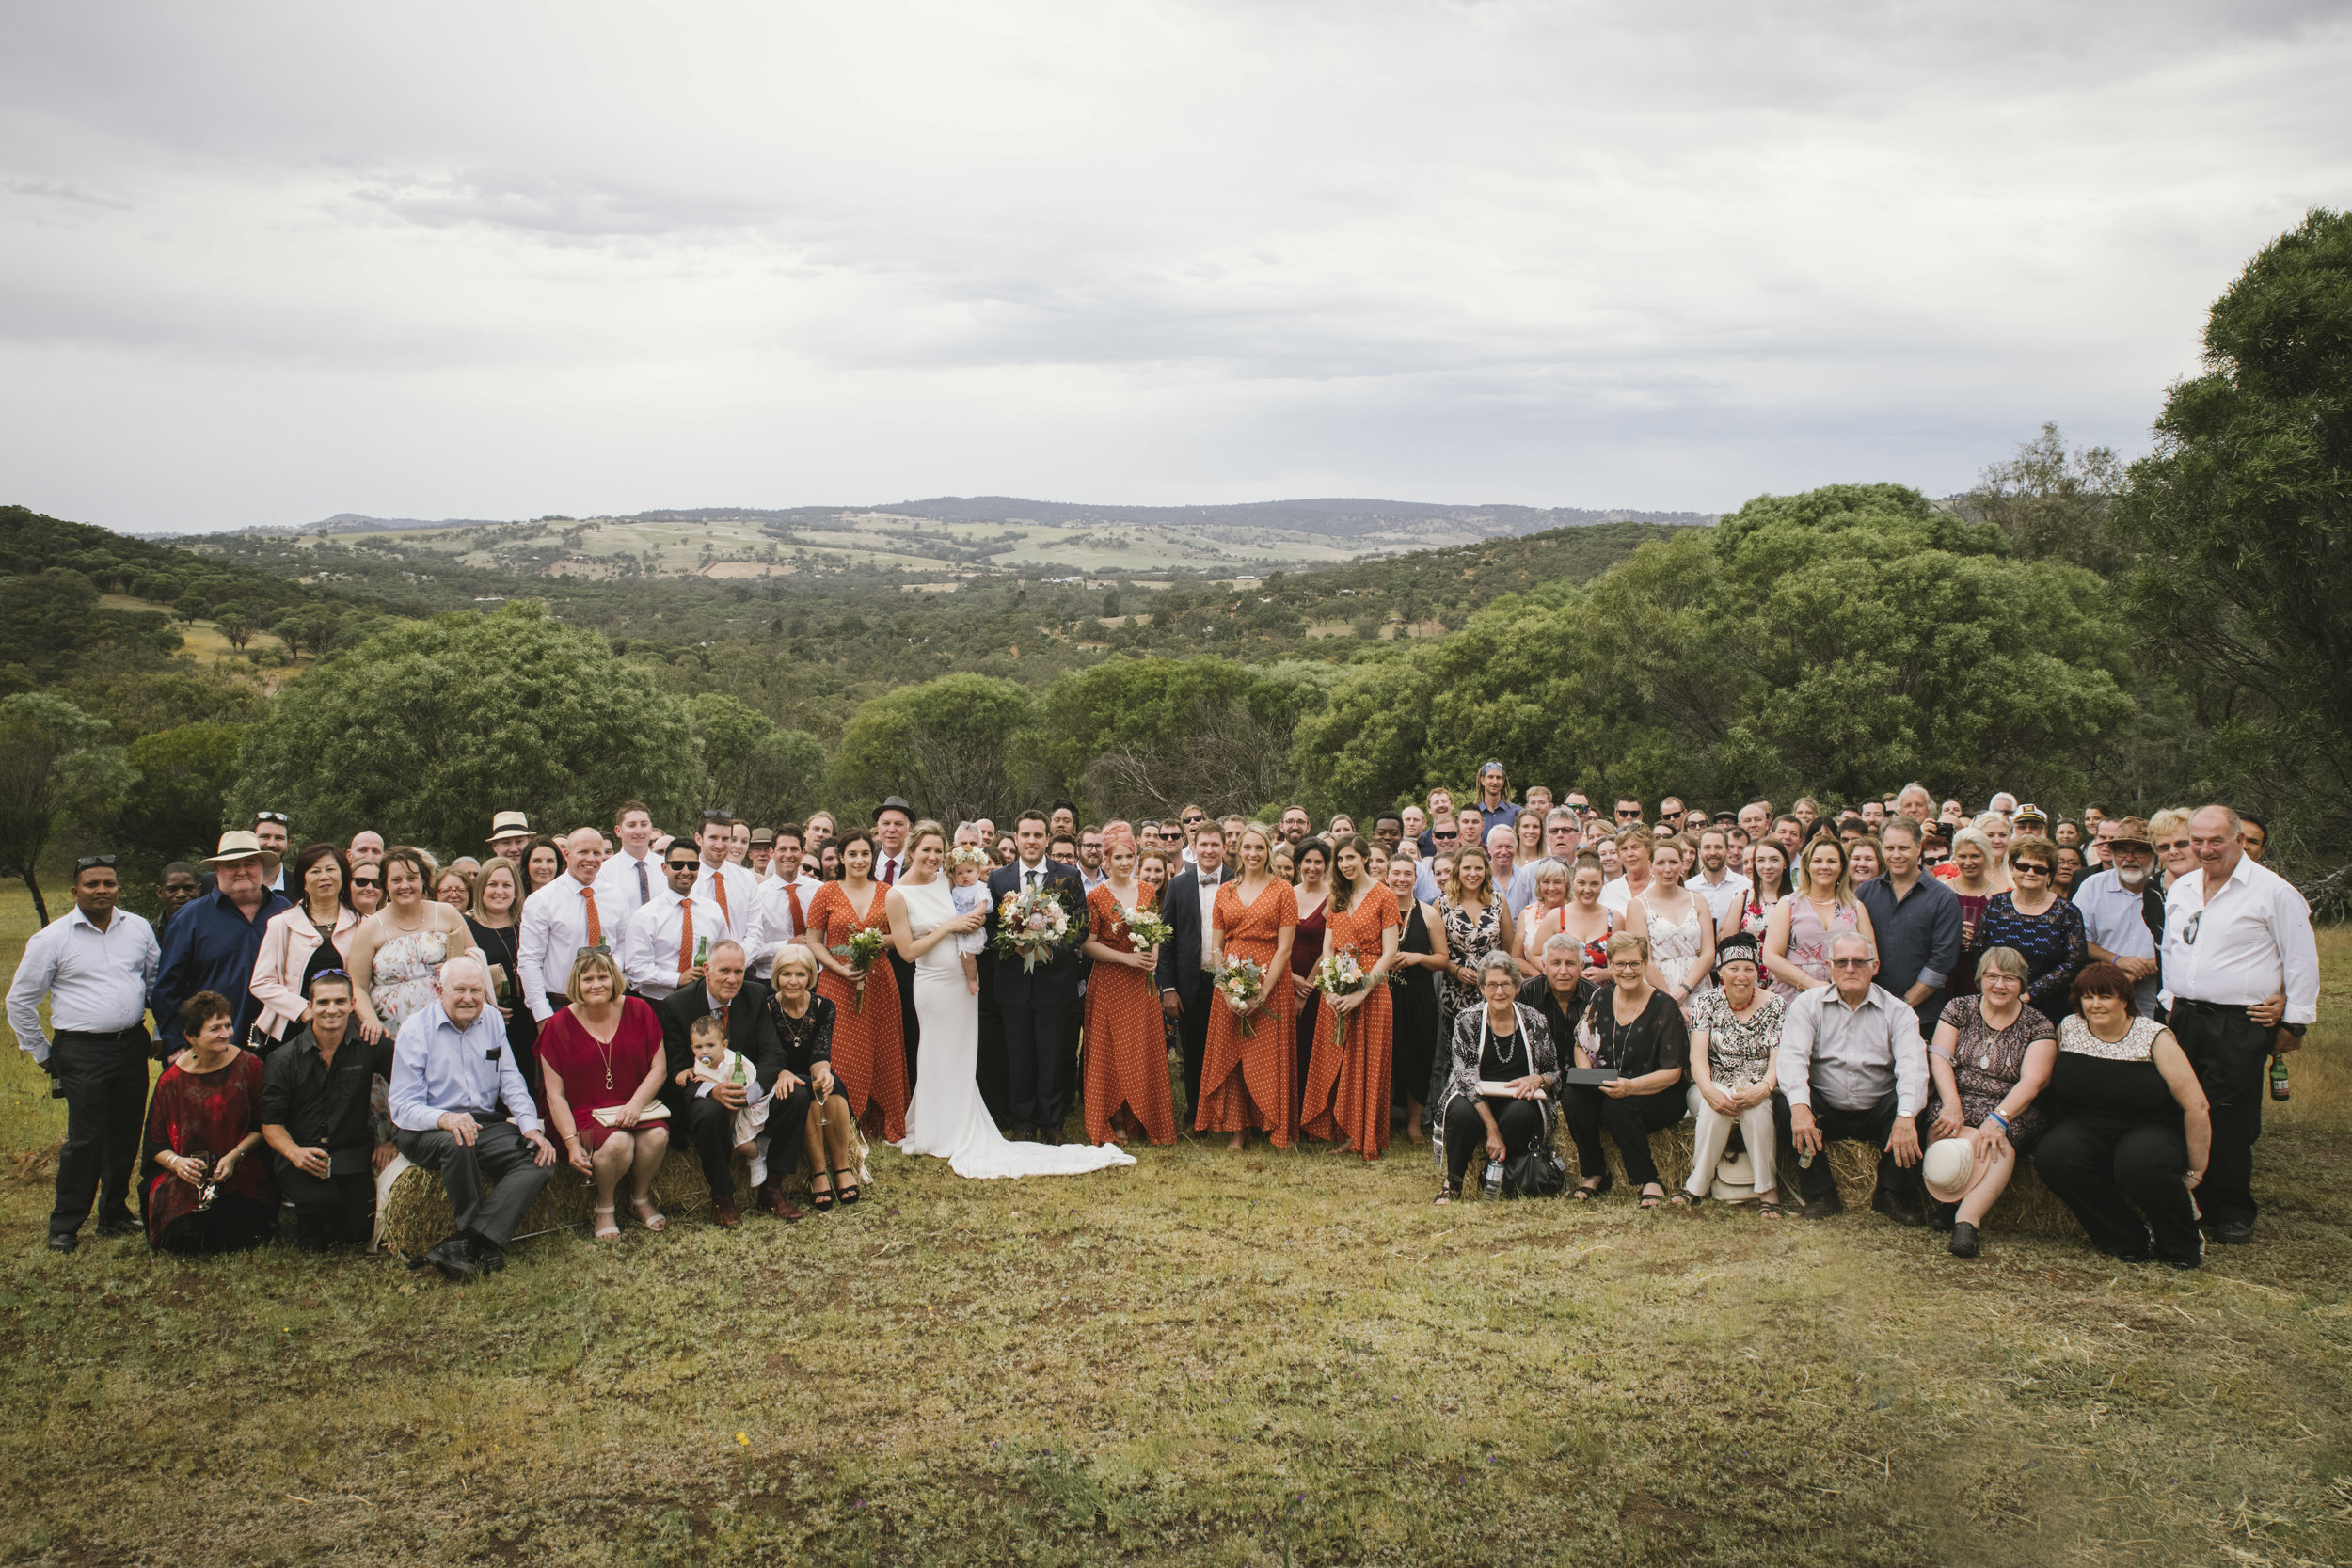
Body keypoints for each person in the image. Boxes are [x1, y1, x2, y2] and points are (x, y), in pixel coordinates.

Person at [895, 821, 1135, 1178]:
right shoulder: (999, 878)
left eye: (1039, 835)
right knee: (1017, 1051)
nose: (1032, 840)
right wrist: (1014, 944)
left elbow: (1081, 926)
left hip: (1054, 980)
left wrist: (1050, 945)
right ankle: (1021, 1120)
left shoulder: (1067, 875)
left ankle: (1052, 1123)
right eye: (1026, 835)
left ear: (1047, 839)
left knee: (1053, 1052)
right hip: (1011, 981)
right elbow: (985, 926)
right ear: (1018, 838)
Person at [2158, 804, 2318, 1245]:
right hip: (2186, 1015)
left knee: (2227, 1114)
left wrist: (2295, 1021)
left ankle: (2233, 1209)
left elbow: (2301, 959)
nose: (2205, 850)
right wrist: (2169, 1002)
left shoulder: (2273, 892)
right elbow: (2173, 948)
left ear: (2239, 841)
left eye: (2216, 841)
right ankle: (2193, 1199)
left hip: (2242, 1020)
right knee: (2184, 1106)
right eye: (2198, 841)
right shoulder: (2183, 887)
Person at [8, 854, 159, 1251]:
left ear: (117, 889)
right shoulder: (52, 938)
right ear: (75, 891)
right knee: (86, 1139)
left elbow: (156, 982)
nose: (102, 890)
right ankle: (66, 1224)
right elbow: (20, 1001)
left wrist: (159, 1031)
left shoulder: (138, 928)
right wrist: (41, 1053)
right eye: (92, 884)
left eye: (109, 883)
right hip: (81, 1050)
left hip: (130, 1045)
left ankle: (114, 1214)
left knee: (126, 1134)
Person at [387, 955, 558, 1281]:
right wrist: (445, 1119)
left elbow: (510, 1079)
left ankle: (469, 1242)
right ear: (439, 990)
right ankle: (474, 1237)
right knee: (458, 1141)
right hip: (422, 1128)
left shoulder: (492, 1020)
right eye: (460, 990)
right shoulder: (414, 1031)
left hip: (481, 1123)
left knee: (541, 1158)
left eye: (476, 990)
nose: (469, 998)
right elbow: (403, 1107)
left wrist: (531, 1127)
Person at [2035, 963, 2213, 1269]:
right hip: (2085, 1127)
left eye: (2105, 996)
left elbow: (2197, 1106)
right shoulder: (2069, 1027)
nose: (2095, 1005)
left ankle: (2181, 1244)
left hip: (2150, 1128)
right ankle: (2126, 1237)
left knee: (2138, 1163)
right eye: (2087, 997)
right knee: (2053, 1156)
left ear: (2124, 999)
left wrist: (2197, 1169)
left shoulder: (2154, 1036)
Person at [1773, 932, 1930, 1224]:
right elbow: (1793, 1058)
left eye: (1859, 961)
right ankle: (1821, 1194)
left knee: (1912, 1104)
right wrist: (1800, 1108)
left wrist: (1906, 1117)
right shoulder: (1808, 1005)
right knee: (1786, 1103)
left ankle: (1890, 1193)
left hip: (1877, 1111)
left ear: (1875, 966)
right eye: (1842, 962)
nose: (1850, 969)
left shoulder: (1899, 1012)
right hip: (1826, 1109)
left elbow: (1914, 1068)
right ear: (1829, 967)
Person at [1920, 946, 2057, 1258]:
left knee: (1996, 1143)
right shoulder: (1959, 1008)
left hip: (2010, 1104)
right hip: (1959, 1094)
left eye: (2010, 978)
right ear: (1980, 978)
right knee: (1942, 1125)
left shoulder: (2038, 1024)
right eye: (1992, 976)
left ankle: (1967, 1221)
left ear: (2022, 984)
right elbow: (1940, 1058)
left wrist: (1999, 1118)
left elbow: (2032, 1081)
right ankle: (1949, 1198)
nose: (2000, 985)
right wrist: (1952, 1104)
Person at [539, 947, 672, 1239]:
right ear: (577, 983)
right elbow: (555, 1095)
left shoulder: (639, 1010)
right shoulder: (559, 1025)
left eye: (603, 977)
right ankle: (605, 1206)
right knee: (618, 1143)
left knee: (658, 1135)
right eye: (587, 979)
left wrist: (636, 1104)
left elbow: (659, 1068)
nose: (596, 985)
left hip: (635, 1105)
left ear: (614, 979)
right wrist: (572, 1143)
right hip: (583, 1113)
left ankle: (640, 1198)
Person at [260, 971, 396, 1251]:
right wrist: (295, 1153)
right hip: (302, 1153)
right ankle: (311, 1217)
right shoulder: (283, 1059)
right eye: (322, 1002)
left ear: (352, 1003)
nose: (331, 1010)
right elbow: (271, 1125)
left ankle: (336, 1208)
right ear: (309, 1007)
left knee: (359, 1232)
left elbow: (410, 1089)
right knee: (318, 1212)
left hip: (351, 1152)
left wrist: (393, 1140)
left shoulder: (371, 1045)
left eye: (339, 1001)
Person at [655, 940, 788, 1224]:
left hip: (749, 1090)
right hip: (704, 1092)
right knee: (708, 1113)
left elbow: (772, 1054)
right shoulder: (676, 1006)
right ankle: (723, 1197)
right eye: (724, 970)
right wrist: (712, 1090)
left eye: (739, 971)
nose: (732, 979)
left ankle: (773, 1188)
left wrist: (752, 1091)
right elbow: (676, 1068)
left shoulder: (755, 995)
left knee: (796, 1097)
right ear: (706, 969)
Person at [140, 992, 274, 1255]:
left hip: (239, 1168)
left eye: (227, 1025)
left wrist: (234, 1157)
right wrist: (178, 1164)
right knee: (184, 1238)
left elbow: (263, 1125)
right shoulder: (171, 1080)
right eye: (215, 1029)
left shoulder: (250, 1066)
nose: (226, 1033)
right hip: (187, 1173)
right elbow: (155, 1143)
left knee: (237, 1236)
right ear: (191, 1037)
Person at [1564, 933, 1690, 1208]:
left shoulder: (1665, 1007)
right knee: (1573, 1098)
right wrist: (1587, 1078)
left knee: (1616, 1108)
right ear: (1610, 964)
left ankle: (1650, 1179)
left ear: (1646, 964)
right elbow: (1580, 1045)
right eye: (1620, 964)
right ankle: (1594, 1172)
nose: (1627, 971)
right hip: (1610, 1084)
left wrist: (1630, 1087)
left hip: (1658, 1091)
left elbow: (1673, 1073)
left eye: (1634, 963)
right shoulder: (1601, 995)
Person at [1199, 823, 1302, 1150]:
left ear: (1269, 851)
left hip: (1271, 978)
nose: (1253, 854)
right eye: (1248, 848)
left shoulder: (1283, 890)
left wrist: (1263, 992)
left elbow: (1285, 947)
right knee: (1232, 1054)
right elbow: (1216, 947)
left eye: (1260, 848)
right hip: (1230, 976)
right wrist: (1226, 988)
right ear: (1238, 850)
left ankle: (1272, 1122)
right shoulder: (1225, 891)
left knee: (1266, 1053)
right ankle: (1238, 1128)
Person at [1301, 835, 1402, 1161]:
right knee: (1339, 1060)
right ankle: (1342, 1130)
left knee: (1367, 1063)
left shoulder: (1384, 895)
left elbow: (1390, 953)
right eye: (1340, 860)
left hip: (1371, 988)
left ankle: (1364, 1135)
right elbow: (1327, 948)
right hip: (1337, 983)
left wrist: (1361, 992)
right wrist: (1329, 987)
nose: (1345, 865)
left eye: (1350, 858)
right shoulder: (1337, 896)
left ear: (1365, 858)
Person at [804, 831, 909, 1142]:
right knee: (841, 1051)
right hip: (837, 982)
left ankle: (879, 1122)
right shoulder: (826, 892)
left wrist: (872, 940)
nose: (859, 860)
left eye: (865, 854)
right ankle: (842, 1119)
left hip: (879, 982)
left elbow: (901, 936)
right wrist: (839, 968)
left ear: (872, 857)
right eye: (852, 854)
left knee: (881, 1048)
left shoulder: (888, 892)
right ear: (840, 858)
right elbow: (813, 941)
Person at [1432, 951, 1559, 1203]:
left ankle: (1499, 1172)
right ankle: (1454, 1182)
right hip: (1475, 1095)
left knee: (1520, 1115)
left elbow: (1553, 1071)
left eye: (1505, 984)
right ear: (1481, 987)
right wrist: (1492, 1131)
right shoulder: (1467, 1020)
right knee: (1459, 1113)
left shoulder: (1535, 1021)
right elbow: (1466, 1079)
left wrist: (1538, 1080)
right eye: (1492, 984)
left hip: (1518, 1097)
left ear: (1517, 986)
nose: (1499, 991)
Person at [151, 831, 292, 1053]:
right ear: (217, 870)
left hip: (278, 1044)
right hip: (212, 1045)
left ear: (262, 865)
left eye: (250, 863)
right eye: (232, 865)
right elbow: (167, 989)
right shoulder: (190, 918)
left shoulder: (285, 910)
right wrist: (176, 1044)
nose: (242, 871)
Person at [1081, 837, 1178, 1146]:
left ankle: (1146, 1117)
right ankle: (1117, 1120)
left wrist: (1154, 955)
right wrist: (1127, 958)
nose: (1124, 862)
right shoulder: (1096, 895)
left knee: (1141, 1047)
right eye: (1118, 857)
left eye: (1129, 856)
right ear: (1106, 861)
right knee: (1111, 1050)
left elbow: (1156, 930)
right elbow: (1088, 943)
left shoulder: (1147, 890)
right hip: (1110, 980)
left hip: (1141, 983)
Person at [1679, 933, 1785, 1213]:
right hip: (1710, 1085)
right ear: (1721, 972)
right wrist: (1709, 1091)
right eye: (1733, 969)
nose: (1741, 976)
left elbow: (1778, 1058)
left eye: (1748, 969)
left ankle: (1767, 1190)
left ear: (1757, 972)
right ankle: (1697, 1184)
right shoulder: (1706, 1003)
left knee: (1759, 1108)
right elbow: (1697, 1058)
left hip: (1758, 1085)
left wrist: (1764, 1087)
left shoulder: (1776, 1005)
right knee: (1718, 1106)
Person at [348, 847, 480, 1046]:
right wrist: (370, 1020)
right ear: (385, 884)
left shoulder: (447, 914)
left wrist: (455, 969)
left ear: (424, 880)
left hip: (450, 1024)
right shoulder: (370, 928)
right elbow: (358, 987)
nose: (405, 885)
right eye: (396, 880)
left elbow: (474, 960)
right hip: (392, 1034)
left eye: (411, 878)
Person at [762, 944, 860, 1210]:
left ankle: (842, 1167)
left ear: (810, 977)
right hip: (780, 1077)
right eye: (786, 974)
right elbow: (768, 1053)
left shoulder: (824, 1006)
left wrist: (825, 1073)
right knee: (804, 1092)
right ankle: (818, 1173)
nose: (793, 981)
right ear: (776, 977)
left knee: (831, 1087)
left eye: (800, 975)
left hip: (813, 1069)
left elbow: (820, 1052)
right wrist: (781, 1073)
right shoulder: (767, 1007)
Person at [249, 843, 362, 1054]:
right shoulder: (282, 924)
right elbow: (261, 983)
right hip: (292, 1030)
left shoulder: (363, 923)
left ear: (343, 876)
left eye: (330, 870)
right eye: (315, 871)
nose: (324, 877)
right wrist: (302, 1009)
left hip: (347, 1029)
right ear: (303, 880)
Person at [1856, 816, 1963, 1040]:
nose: (1896, 855)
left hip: (1921, 1017)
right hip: (1867, 1014)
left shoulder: (1943, 898)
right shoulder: (1864, 894)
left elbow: (1941, 963)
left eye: (1904, 848)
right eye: (1890, 848)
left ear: (1918, 849)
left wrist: (1900, 1007)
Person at [1964, 835, 2088, 1018]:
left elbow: (2074, 962)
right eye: (2023, 867)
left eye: (2039, 869)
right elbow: (1978, 951)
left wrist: (2031, 993)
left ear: (2050, 875)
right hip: (1997, 1001)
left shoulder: (2067, 912)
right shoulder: (1996, 905)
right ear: (2012, 869)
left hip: (2049, 1006)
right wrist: (1999, 989)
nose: (2030, 872)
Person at [1156, 819, 1226, 1123]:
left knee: (1225, 1051)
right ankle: (1196, 1114)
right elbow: (1166, 939)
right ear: (1193, 847)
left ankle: (1225, 1114)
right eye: (1203, 844)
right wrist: (1168, 987)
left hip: (1229, 982)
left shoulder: (1237, 881)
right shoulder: (1178, 885)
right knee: (1194, 1052)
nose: (1209, 850)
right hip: (1190, 982)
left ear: (1224, 847)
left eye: (1215, 844)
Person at [2072, 816, 2164, 1021]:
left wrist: (2146, 967)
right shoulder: (2092, 886)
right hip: (2101, 994)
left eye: (2139, 851)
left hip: (2156, 998)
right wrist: (2117, 960)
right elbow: (2076, 939)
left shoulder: (2169, 888)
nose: (2129, 858)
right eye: (2122, 850)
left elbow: (2184, 946)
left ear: (2154, 854)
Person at [1763, 835, 1876, 1000]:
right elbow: (1771, 957)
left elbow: (1872, 959)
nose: (1824, 867)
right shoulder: (1788, 904)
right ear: (1807, 866)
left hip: (1844, 997)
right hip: (1795, 996)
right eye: (1817, 861)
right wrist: (1810, 984)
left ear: (1841, 867)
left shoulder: (1855, 907)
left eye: (1831, 861)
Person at [1387, 851, 1450, 1146]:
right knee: (1386, 1058)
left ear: (1415, 878)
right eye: (1395, 874)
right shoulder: (1377, 909)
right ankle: (1380, 1121)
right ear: (1387, 877)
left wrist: (1416, 957)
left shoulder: (1428, 912)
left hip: (1419, 993)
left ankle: (1414, 1125)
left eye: (1407, 874)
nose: (1401, 879)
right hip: (1383, 993)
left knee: (1419, 1056)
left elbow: (1442, 959)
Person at [463, 857, 539, 1098]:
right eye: (492, 884)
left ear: (516, 891)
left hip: (528, 1016)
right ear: (481, 888)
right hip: (489, 1018)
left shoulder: (527, 923)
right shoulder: (466, 925)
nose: (499, 891)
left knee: (529, 1081)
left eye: (507, 885)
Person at [518, 827, 609, 1022]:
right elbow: (529, 961)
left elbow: (623, 947)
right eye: (583, 852)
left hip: (608, 1003)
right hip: (561, 1006)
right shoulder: (542, 900)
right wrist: (542, 1015)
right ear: (567, 855)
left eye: (597, 853)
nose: (591, 859)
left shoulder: (615, 897)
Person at [622, 841, 730, 1004]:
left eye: (692, 865)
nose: (685, 871)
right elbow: (636, 968)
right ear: (664, 868)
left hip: (704, 1000)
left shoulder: (713, 910)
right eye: (678, 865)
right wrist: (677, 979)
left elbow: (725, 954)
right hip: (659, 1002)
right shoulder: (645, 915)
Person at [1623, 834, 1714, 1013]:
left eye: (1673, 862)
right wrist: (1670, 999)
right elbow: (1643, 958)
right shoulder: (1638, 905)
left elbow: (1708, 952)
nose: (1667, 869)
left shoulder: (1698, 900)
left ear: (1682, 865)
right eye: (1660, 863)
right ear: (1650, 866)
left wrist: (1685, 989)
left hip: (1698, 985)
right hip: (1659, 990)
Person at [744, 822, 826, 971]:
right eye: (782, 849)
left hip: (815, 975)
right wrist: (787, 945)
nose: (788, 855)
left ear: (802, 852)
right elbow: (753, 949)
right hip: (771, 976)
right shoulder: (757, 895)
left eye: (794, 849)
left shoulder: (819, 890)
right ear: (771, 853)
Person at [1287, 838, 1332, 1095]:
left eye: (1318, 862)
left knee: (1311, 1044)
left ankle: (1310, 1109)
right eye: (1308, 861)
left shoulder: (1334, 898)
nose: (1313, 867)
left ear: (1326, 866)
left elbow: (1329, 948)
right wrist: (1290, 977)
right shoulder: (1287, 894)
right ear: (1299, 864)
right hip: (1284, 975)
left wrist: (1306, 990)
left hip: (1317, 981)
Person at [1517, 931, 1595, 1061]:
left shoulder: (1595, 995)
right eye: (1556, 963)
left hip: (1584, 1074)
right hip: (1538, 1075)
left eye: (1570, 963)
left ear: (1581, 967)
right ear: (1544, 966)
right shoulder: (1525, 993)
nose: (1563, 971)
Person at [591, 800, 662, 931]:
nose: (638, 831)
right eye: (631, 825)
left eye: (644, 824)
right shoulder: (604, 873)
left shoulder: (667, 868)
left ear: (651, 828)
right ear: (618, 831)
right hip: (623, 946)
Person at [1684, 826, 1752, 942]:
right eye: (1707, 848)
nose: (1713, 853)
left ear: (1728, 851)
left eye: (1718, 847)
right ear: (1699, 852)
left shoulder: (1746, 886)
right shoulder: (1687, 888)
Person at [1740, 840, 1792, 942]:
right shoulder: (1744, 897)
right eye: (1761, 860)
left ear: (1785, 862)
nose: (1767, 866)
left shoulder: (1797, 899)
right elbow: (1728, 941)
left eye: (1774, 860)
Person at [153, 863, 200, 927]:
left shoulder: (213, 928)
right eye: (172, 889)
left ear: (198, 890)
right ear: (159, 892)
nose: (181, 894)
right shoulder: (148, 932)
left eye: (188, 888)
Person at [522, 835, 568, 900]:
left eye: (550, 861)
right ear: (527, 863)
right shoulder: (514, 896)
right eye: (537, 861)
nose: (544, 867)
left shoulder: (567, 897)